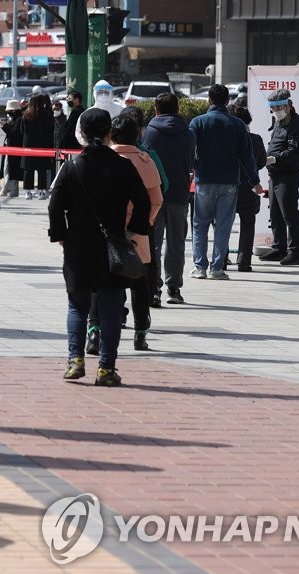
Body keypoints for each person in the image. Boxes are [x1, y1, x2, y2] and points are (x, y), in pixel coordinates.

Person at [49, 108, 149, 386]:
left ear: (81, 133)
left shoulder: (71, 166)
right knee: (111, 307)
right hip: (113, 246)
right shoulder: (123, 166)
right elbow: (143, 201)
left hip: (78, 247)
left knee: (77, 306)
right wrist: (134, 232)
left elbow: (55, 205)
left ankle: (75, 361)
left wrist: (60, 236)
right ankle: (106, 368)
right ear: (109, 133)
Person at [188, 84, 261, 281]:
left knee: (200, 224)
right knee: (223, 225)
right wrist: (255, 181)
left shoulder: (198, 122)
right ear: (228, 101)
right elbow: (247, 157)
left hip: (204, 180)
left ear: (209, 100)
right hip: (229, 181)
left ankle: (200, 267)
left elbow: (188, 149)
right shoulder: (237, 125)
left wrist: (191, 168)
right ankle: (217, 268)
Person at [109, 114, 163, 351]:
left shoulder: (105, 159)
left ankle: (95, 330)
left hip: (107, 232)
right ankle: (140, 334)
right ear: (138, 134)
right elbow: (157, 199)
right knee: (139, 283)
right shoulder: (145, 161)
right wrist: (144, 223)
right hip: (137, 233)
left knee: (103, 283)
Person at [142, 92, 195, 304]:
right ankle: (174, 288)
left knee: (153, 243)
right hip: (180, 194)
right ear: (178, 109)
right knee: (176, 243)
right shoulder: (189, 133)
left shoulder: (150, 133)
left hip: (154, 194)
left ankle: (154, 288)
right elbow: (191, 162)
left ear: (156, 110)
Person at [258, 88, 299, 266]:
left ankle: (295, 252)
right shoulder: (279, 122)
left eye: (279, 107)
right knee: (275, 213)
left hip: (287, 174)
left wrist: (275, 158)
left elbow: (294, 152)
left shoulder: (298, 124)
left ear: (289, 104)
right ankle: (279, 248)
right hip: (274, 174)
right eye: (273, 108)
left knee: (289, 213)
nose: (276, 111)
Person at [227, 105, 266, 272]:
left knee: (223, 224)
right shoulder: (255, 139)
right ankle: (244, 261)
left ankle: (221, 258)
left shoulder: (225, 140)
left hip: (227, 188)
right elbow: (262, 162)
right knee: (248, 224)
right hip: (250, 188)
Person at [21, 93, 55, 200]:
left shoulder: (26, 115)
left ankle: (28, 192)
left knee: (28, 170)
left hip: (28, 146)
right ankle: (41, 191)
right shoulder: (46, 115)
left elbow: (22, 131)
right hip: (42, 146)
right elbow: (50, 131)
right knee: (42, 170)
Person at [74, 80, 122, 146]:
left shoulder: (120, 109)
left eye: (106, 92)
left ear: (111, 93)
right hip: (93, 150)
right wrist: (90, 145)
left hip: (116, 150)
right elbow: (79, 132)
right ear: (95, 94)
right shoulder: (87, 114)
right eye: (100, 92)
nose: (103, 95)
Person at [0, 99, 23, 199]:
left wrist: (4, 126)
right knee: (9, 169)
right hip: (9, 148)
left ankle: (6, 188)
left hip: (14, 148)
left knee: (10, 169)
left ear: (14, 110)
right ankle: (13, 192)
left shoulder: (19, 120)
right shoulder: (14, 120)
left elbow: (14, 134)